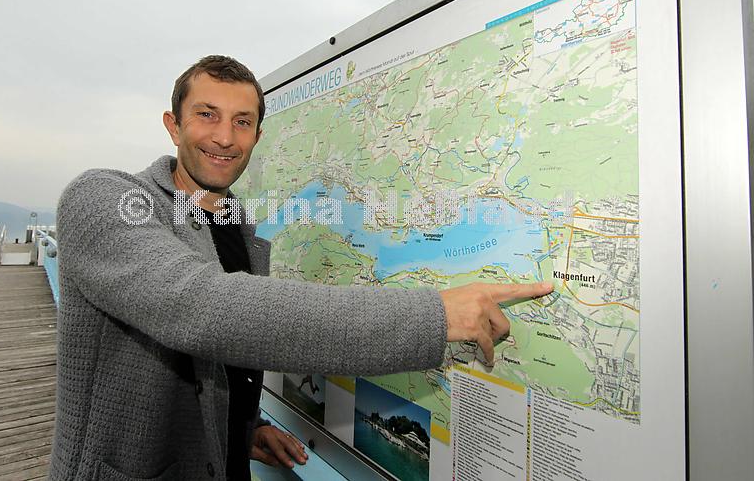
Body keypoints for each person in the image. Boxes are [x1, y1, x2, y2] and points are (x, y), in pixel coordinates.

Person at [48, 55, 552, 480]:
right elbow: (202, 308)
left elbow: (223, 361)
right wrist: (434, 315)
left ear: (257, 135)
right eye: (206, 115)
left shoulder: (239, 227)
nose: (224, 137)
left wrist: (241, 430)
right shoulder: (105, 200)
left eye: (242, 122)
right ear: (173, 124)